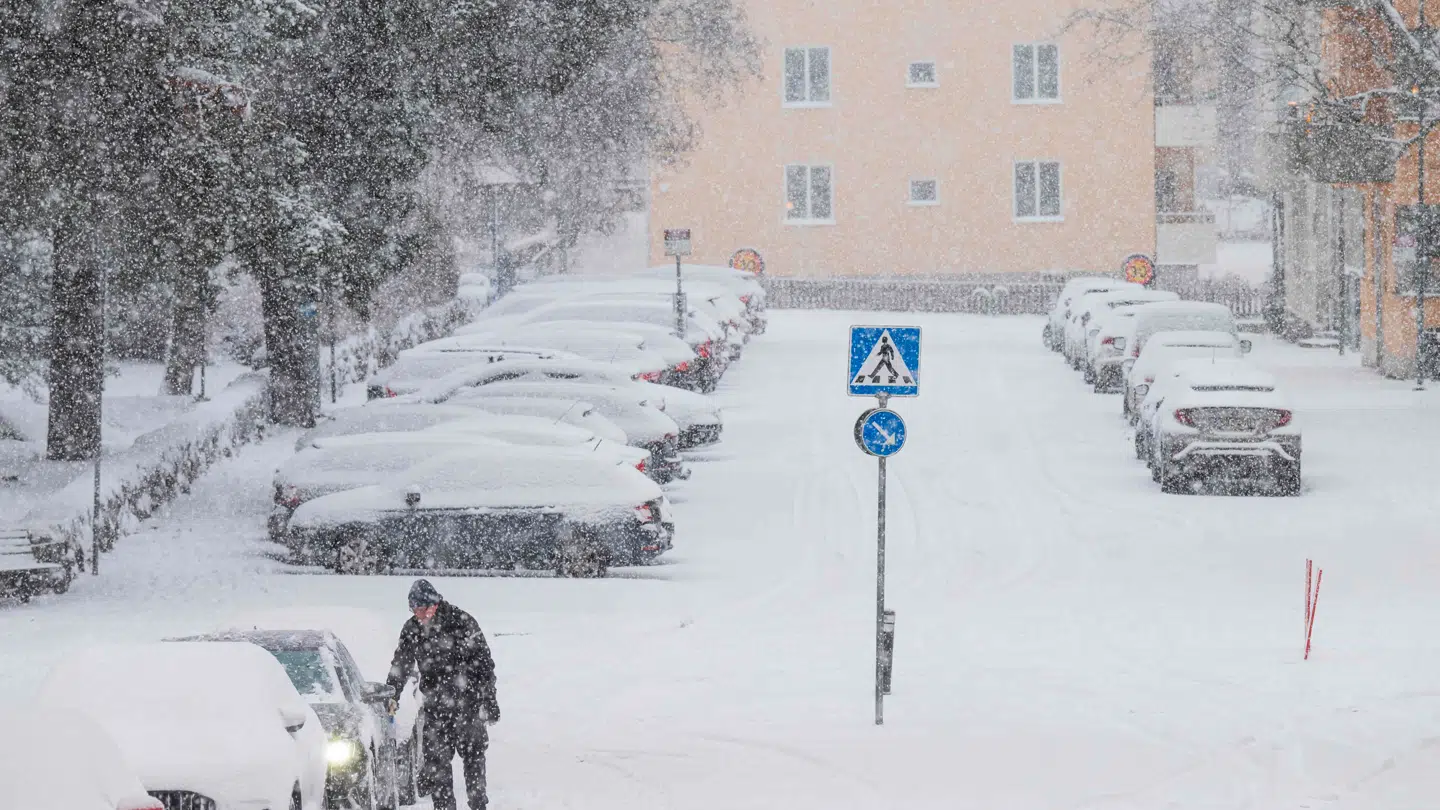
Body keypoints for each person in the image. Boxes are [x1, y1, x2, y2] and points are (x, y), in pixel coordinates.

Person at [386, 579, 499, 810]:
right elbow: (401, 664)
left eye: (422, 609)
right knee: (437, 765)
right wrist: (392, 693)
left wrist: (489, 700)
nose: (419, 615)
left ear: (435, 604)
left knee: (474, 759)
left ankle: (478, 803)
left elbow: (484, 666)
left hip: (468, 704)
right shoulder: (412, 629)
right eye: (414, 610)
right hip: (436, 707)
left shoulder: (462, 622)